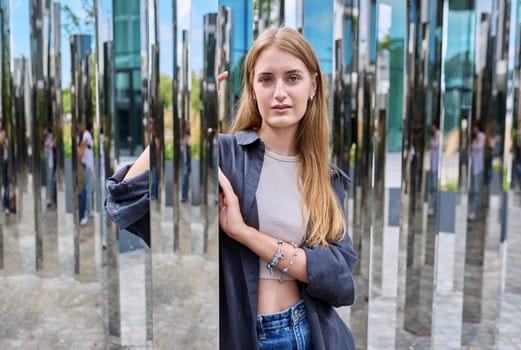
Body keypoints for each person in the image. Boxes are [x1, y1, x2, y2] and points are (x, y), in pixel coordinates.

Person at [105, 27, 357, 349]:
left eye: (292, 78)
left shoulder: (326, 178)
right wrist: (186, 118)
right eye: (266, 79)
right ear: (252, 88)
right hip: (247, 336)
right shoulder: (224, 155)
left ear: (312, 86)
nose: (279, 92)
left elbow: (338, 276)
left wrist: (244, 233)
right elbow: (125, 198)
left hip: (313, 333)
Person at [469, 120, 486, 221]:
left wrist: (477, 138)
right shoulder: (475, 138)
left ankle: (475, 211)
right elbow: (472, 149)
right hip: (473, 166)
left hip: (478, 167)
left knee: (477, 190)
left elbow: (478, 147)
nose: (474, 130)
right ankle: (474, 210)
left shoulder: (481, 136)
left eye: (475, 128)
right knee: (472, 190)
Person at [181, 121, 191, 202]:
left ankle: (185, 195)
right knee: (185, 177)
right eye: (187, 125)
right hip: (186, 159)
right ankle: (184, 196)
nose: (188, 126)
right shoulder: (184, 135)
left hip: (191, 158)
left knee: (187, 177)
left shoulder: (191, 134)